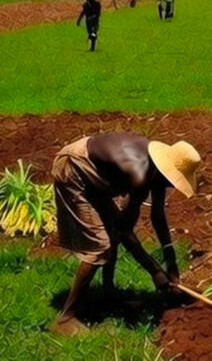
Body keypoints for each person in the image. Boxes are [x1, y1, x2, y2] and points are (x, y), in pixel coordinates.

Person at [51, 132, 202, 335]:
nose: (173, 186)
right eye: (174, 181)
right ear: (167, 172)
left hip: (98, 175)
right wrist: (156, 271)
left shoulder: (156, 170)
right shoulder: (139, 174)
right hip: (75, 168)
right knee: (101, 246)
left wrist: (171, 262)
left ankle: (108, 297)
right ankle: (65, 318)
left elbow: (157, 216)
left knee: (111, 235)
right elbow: (125, 231)